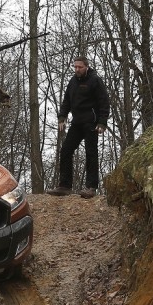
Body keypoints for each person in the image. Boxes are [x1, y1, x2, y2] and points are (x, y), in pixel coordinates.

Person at [48, 56, 111, 198]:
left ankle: (91, 187)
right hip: (76, 122)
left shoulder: (95, 80)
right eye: (75, 67)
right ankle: (64, 186)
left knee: (91, 153)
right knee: (65, 150)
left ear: (86, 67)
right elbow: (66, 101)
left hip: (91, 122)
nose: (77, 69)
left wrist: (102, 123)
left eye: (80, 67)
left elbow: (104, 102)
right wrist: (62, 117)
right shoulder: (73, 81)